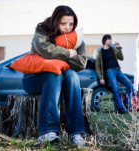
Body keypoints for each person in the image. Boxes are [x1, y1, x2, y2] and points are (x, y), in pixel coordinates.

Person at [22, 6, 87, 146]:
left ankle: (76, 133)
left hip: (62, 78)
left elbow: (82, 62)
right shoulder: (42, 30)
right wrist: (69, 53)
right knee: (54, 71)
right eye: (63, 23)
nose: (68, 27)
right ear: (55, 21)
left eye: (71, 24)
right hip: (34, 78)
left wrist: (55, 56)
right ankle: (48, 131)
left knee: (72, 74)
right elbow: (47, 51)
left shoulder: (76, 38)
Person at [95, 35, 133, 113]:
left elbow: (121, 58)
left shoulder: (113, 48)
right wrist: (101, 77)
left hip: (117, 71)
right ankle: (121, 109)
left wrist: (119, 48)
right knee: (115, 89)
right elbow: (97, 65)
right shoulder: (100, 51)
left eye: (111, 39)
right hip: (109, 72)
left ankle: (127, 106)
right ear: (104, 41)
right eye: (109, 39)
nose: (110, 40)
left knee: (130, 85)